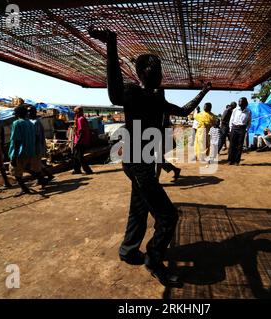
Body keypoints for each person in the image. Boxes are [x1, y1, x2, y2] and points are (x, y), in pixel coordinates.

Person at [89, 28, 211, 287]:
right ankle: (154, 260)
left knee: (139, 207)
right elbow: (115, 94)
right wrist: (111, 44)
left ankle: (128, 250)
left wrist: (204, 92)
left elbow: (183, 109)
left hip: (138, 162)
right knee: (168, 216)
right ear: (152, 75)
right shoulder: (141, 95)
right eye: (157, 73)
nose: (160, 77)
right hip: (140, 165)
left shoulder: (146, 97)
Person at [9, 105, 46, 196]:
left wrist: (14, 155)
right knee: (27, 168)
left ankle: (24, 189)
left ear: (17, 114)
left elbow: (17, 140)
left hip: (19, 152)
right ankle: (42, 180)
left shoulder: (17, 123)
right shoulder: (30, 123)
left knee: (16, 173)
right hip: (29, 151)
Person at [27, 106, 55, 182]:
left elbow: (36, 136)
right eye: (28, 111)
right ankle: (48, 175)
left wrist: (33, 147)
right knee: (37, 163)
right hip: (35, 146)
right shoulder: (31, 121)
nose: (28, 113)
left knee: (35, 164)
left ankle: (41, 180)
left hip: (36, 146)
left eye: (30, 112)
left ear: (34, 112)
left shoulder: (36, 122)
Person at [156, 112, 181, 181]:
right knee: (158, 159)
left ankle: (155, 180)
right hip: (162, 140)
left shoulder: (163, 117)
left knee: (158, 159)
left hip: (164, 141)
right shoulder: (163, 117)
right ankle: (175, 170)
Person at [228, 97, 251, 165]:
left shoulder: (248, 111)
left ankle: (237, 161)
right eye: (239, 101)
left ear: (245, 103)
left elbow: (249, 122)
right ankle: (231, 160)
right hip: (234, 128)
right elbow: (231, 120)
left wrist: (246, 129)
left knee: (239, 145)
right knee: (232, 145)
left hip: (242, 129)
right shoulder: (235, 110)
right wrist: (230, 128)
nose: (239, 103)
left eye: (240, 101)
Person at [72, 106, 93, 175]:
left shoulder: (80, 119)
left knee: (79, 156)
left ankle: (88, 170)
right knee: (75, 155)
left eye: (75, 112)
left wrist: (78, 142)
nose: (74, 113)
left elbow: (82, 132)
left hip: (81, 141)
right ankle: (77, 169)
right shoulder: (79, 118)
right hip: (78, 140)